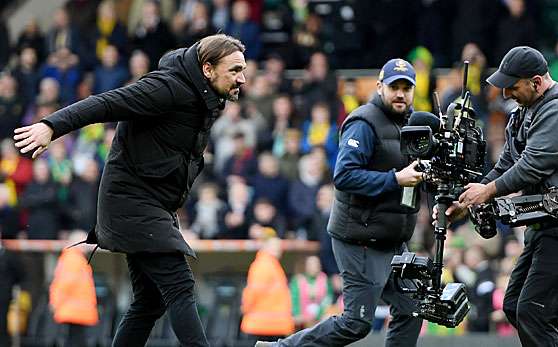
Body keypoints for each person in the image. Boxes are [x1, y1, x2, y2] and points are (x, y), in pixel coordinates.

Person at [13, 33, 247, 347]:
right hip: (130, 203)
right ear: (207, 69)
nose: (242, 78)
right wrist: (51, 126)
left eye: (242, 70)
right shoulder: (167, 88)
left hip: (151, 206)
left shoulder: (205, 98)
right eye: (234, 70)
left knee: (150, 302)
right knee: (179, 285)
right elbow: (106, 103)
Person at [257, 58, 424, 346]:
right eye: (394, 87)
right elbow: (344, 176)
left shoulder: (412, 124)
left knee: (412, 308)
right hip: (358, 237)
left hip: (391, 237)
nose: (400, 94)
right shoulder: (363, 122)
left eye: (406, 88)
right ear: (379, 86)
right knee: (356, 323)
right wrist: (395, 179)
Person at [445, 46, 558, 346]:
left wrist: (488, 191)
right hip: (547, 224)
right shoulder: (525, 111)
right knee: (516, 306)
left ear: (537, 82)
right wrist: (468, 200)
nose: (506, 95)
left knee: (533, 312)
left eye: (512, 87)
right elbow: (506, 165)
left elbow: (532, 166)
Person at [49, 231, 99, 347]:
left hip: (74, 309)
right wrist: (56, 303)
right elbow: (65, 284)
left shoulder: (72, 258)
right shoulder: (74, 260)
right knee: (76, 340)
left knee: (73, 338)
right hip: (74, 310)